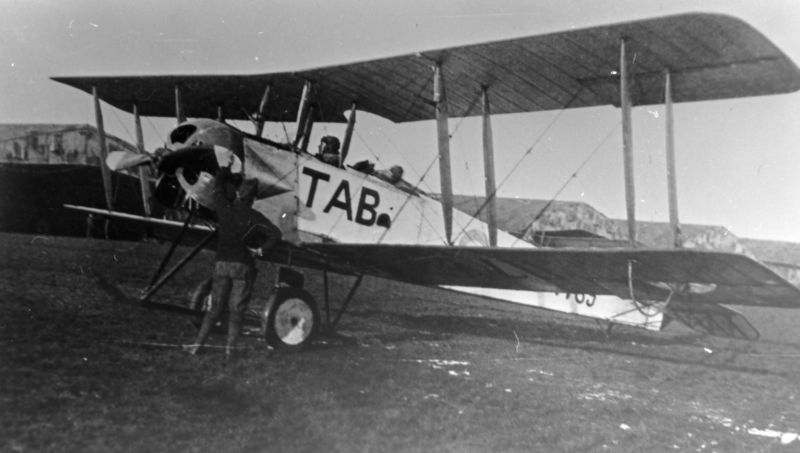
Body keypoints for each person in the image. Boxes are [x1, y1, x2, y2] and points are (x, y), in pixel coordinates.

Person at [186, 164, 281, 357]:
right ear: (253, 198)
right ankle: (230, 350)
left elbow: (218, 190)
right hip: (243, 266)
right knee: (237, 310)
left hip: (222, 264)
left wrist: (223, 171)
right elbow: (275, 234)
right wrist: (260, 251)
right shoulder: (255, 217)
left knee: (214, 309)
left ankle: (197, 346)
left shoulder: (225, 209)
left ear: (238, 193)